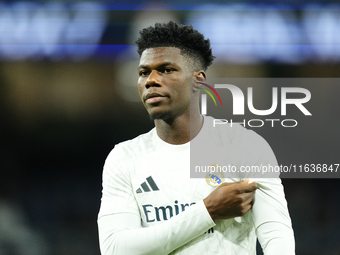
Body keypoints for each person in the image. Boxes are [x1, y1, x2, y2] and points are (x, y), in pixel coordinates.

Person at [98, 21, 295, 255]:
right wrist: (207, 211)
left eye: (166, 70)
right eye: (143, 72)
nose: (151, 80)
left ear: (198, 80)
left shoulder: (244, 146)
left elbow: (277, 239)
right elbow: (115, 249)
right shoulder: (124, 158)